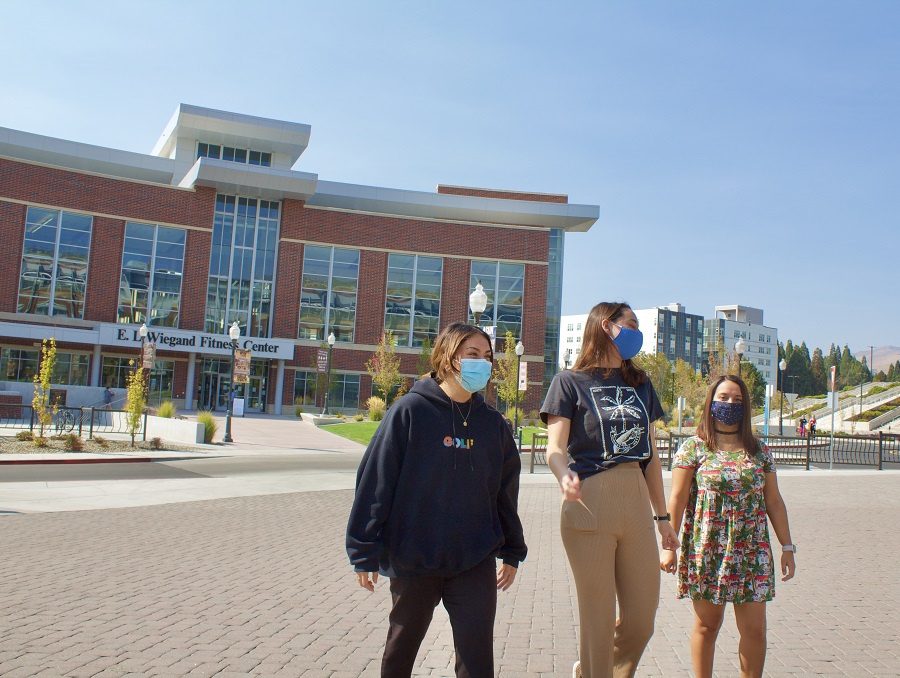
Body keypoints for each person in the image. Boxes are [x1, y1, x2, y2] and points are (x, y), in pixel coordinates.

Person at [346, 321, 527, 678]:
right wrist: (362, 551)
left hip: (474, 559)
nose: (483, 363)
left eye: (488, 357)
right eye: (472, 354)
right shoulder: (410, 411)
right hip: (414, 557)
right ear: (447, 356)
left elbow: (504, 492)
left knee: (477, 663)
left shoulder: (493, 425)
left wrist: (512, 549)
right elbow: (376, 482)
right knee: (400, 653)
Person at [541, 302, 679, 678]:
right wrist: (562, 473)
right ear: (607, 326)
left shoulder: (641, 384)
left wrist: (663, 518)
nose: (637, 332)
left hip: (634, 502)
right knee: (597, 620)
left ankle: (590, 670)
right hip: (589, 502)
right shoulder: (569, 382)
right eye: (630, 324)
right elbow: (554, 448)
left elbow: (650, 456)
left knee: (641, 620)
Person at [661, 375, 796, 678]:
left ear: (746, 407)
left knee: (756, 630)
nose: (730, 404)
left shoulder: (760, 451)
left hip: (753, 552)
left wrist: (787, 546)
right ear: (711, 402)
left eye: (737, 400)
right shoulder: (693, 449)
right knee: (707, 626)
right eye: (723, 398)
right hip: (707, 550)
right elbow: (678, 499)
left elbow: (774, 502)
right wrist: (669, 548)